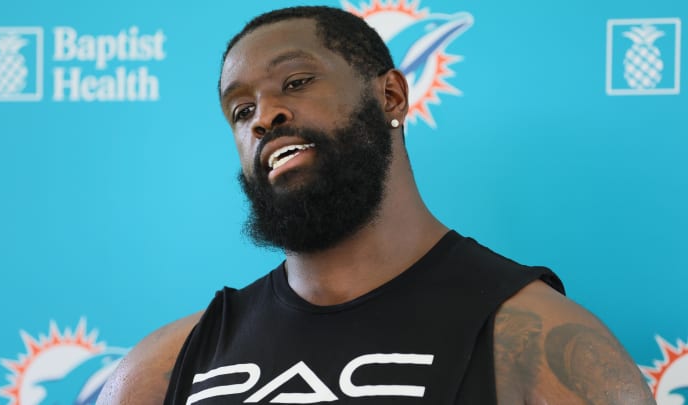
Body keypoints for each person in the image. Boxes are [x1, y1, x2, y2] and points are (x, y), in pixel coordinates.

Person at [97, 6, 655, 405]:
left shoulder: (534, 341)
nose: (264, 117)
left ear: (390, 95)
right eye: (241, 111)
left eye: (295, 81)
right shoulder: (164, 368)